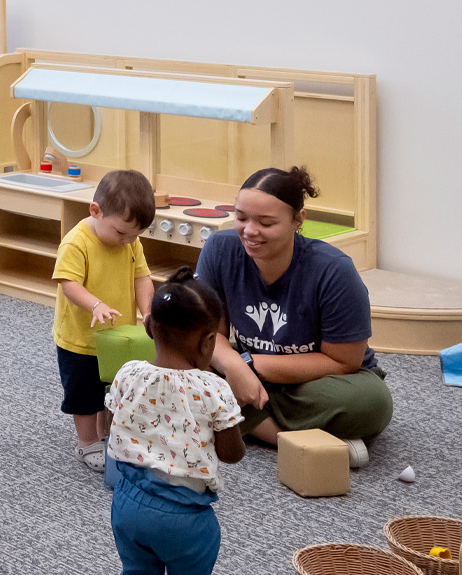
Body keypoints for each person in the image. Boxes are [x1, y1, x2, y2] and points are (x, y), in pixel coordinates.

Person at [197, 165, 392, 466]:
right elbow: (209, 336)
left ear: (298, 220)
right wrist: (234, 366)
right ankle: (299, 441)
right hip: (245, 371)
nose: (249, 231)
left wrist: (248, 366)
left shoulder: (333, 270)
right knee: (169, 358)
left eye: (266, 222)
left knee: (372, 402)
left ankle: (230, 419)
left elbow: (344, 361)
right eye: (241, 217)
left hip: (318, 380)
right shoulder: (219, 249)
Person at [106, 268, 246, 575]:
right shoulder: (214, 388)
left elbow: (117, 422)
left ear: (150, 328)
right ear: (209, 341)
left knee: (136, 569)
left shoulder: (128, 373)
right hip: (183, 518)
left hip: (127, 503)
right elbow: (232, 454)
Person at [53, 168, 157, 471]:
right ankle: (86, 443)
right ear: (95, 211)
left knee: (113, 389)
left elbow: (142, 278)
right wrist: (95, 304)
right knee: (84, 394)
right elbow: (68, 283)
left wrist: (147, 311)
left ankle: (105, 433)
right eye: (121, 232)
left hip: (117, 337)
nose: (127, 241)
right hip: (80, 340)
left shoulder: (130, 242)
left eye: (135, 235)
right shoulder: (77, 242)